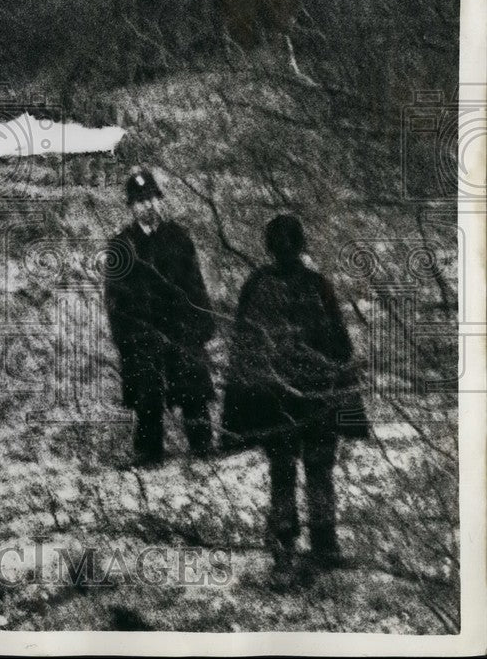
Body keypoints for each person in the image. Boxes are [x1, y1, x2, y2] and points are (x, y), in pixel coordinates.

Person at [221, 214, 369, 589]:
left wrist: (240, 412)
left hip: (283, 400)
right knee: (308, 468)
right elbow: (339, 348)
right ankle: (316, 542)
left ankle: (295, 543)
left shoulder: (264, 285)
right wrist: (347, 405)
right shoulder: (314, 286)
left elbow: (244, 351)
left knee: (289, 470)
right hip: (299, 399)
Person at [104, 167, 216, 466]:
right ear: (131, 206)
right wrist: (125, 338)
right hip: (143, 334)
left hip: (180, 329)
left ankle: (203, 446)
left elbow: (195, 283)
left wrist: (202, 323)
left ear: (160, 201)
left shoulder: (178, 237)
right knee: (146, 395)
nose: (148, 205)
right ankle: (148, 453)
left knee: (193, 390)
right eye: (140, 201)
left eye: (152, 198)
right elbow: (114, 299)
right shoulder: (121, 245)